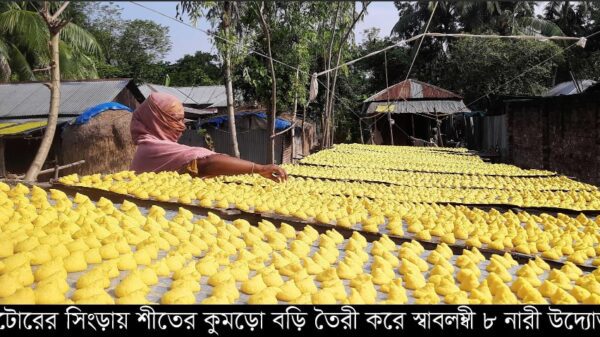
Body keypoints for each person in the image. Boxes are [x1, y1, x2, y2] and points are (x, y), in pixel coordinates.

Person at [130, 92, 288, 182]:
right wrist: (258, 169)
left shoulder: (150, 146)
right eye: (176, 119)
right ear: (157, 120)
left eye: (182, 120)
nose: (183, 126)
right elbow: (205, 163)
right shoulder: (152, 149)